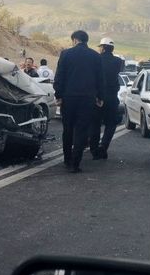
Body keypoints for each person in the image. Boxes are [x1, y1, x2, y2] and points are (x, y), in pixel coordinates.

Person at [53, 30, 104, 173]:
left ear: (75, 40)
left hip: (68, 98)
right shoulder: (95, 56)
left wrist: (59, 95)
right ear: (86, 41)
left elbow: (59, 77)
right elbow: (100, 79)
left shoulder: (66, 54)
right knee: (81, 130)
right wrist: (100, 97)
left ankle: (67, 159)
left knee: (67, 129)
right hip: (87, 99)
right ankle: (75, 163)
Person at [89, 38, 124, 160]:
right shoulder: (118, 61)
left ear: (103, 48)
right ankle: (103, 146)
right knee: (111, 123)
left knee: (95, 124)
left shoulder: (96, 60)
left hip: (98, 96)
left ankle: (94, 150)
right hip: (112, 97)